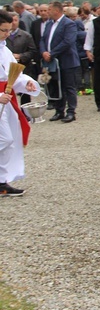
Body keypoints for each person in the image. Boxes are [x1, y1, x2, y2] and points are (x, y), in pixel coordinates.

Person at [0, 10, 41, 197]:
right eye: (3, 30)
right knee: (4, 139)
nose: (7, 34)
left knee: (9, 140)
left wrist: (26, 83)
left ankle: (2, 181)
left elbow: (13, 75)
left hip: (6, 100)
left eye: (9, 30)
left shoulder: (5, 49)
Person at [40, 1, 80, 123]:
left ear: (56, 10)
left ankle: (71, 111)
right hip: (52, 62)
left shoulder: (69, 24)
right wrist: (44, 52)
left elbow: (68, 42)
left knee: (69, 87)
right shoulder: (49, 24)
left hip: (67, 60)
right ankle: (59, 110)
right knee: (57, 86)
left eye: (49, 10)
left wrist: (52, 53)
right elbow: (42, 39)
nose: (47, 12)